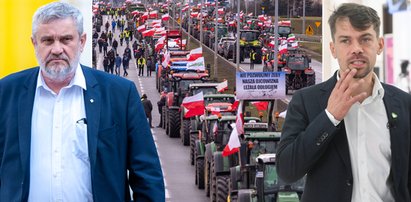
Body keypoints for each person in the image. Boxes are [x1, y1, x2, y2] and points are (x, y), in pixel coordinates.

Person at [0, 2, 164, 201]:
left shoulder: (119, 94)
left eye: (66, 39)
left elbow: (147, 176)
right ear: (34, 43)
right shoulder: (6, 93)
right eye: (48, 40)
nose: (57, 49)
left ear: (82, 41)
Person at [276, 3, 411, 202]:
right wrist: (330, 117)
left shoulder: (404, 103)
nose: (356, 49)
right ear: (333, 48)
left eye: (365, 39)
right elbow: (287, 171)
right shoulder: (306, 101)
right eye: (346, 40)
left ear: (379, 45)